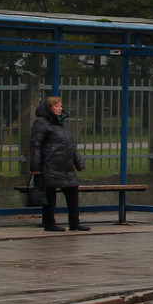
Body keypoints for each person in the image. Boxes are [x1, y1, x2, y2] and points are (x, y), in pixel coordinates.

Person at [29, 96, 90, 232]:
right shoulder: (41, 123)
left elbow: (71, 145)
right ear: (49, 108)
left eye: (60, 106)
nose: (60, 108)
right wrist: (35, 168)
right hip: (50, 165)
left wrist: (79, 163)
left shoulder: (64, 124)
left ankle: (74, 223)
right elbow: (35, 145)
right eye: (56, 106)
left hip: (66, 166)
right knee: (50, 195)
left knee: (73, 193)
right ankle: (49, 223)